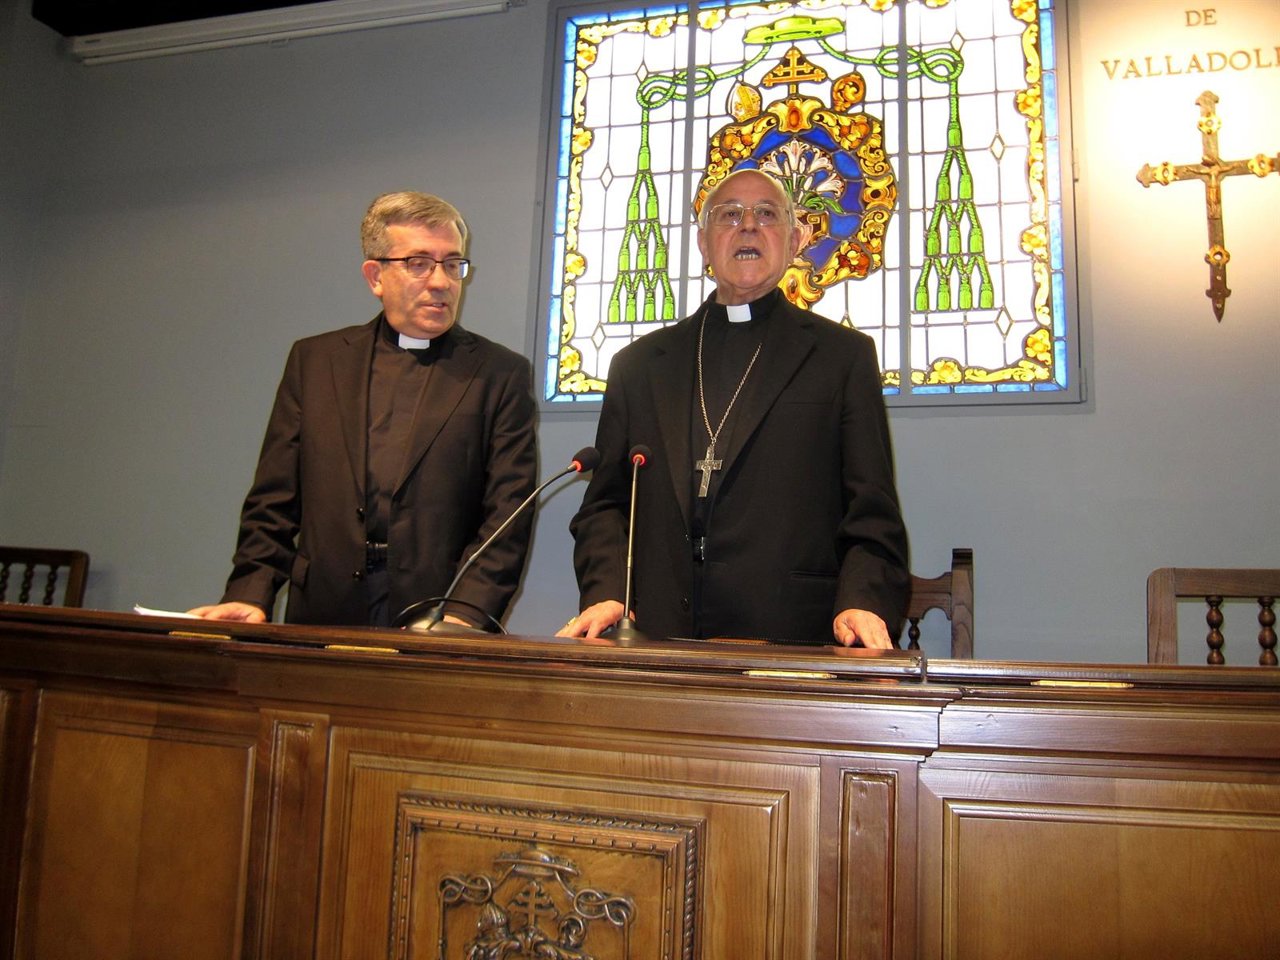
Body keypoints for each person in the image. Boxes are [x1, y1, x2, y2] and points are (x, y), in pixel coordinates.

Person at [558, 169, 908, 647]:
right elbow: (605, 507)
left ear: (795, 239)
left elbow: (871, 512)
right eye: (729, 215)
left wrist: (862, 600)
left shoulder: (841, 358)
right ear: (703, 243)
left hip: (791, 637)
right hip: (657, 635)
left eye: (767, 214)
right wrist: (608, 591)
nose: (748, 226)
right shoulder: (639, 365)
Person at [190, 191, 537, 628]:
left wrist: (464, 614)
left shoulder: (498, 373)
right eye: (419, 263)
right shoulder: (315, 362)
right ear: (375, 276)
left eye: (452, 264)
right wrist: (250, 592)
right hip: (322, 606)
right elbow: (273, 500)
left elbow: (508, 514)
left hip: (438, 615)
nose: (441, 281)